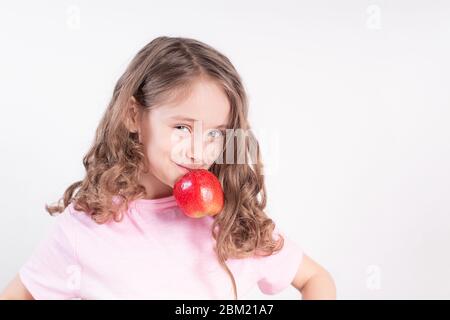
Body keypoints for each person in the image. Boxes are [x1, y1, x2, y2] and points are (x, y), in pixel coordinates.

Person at [0, 36, 336, 300]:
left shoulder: (231, 221)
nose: (198, 151)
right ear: (134, 116)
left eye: (215, 133)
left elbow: (315, 279)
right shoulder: (86, 228)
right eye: (182, 128)